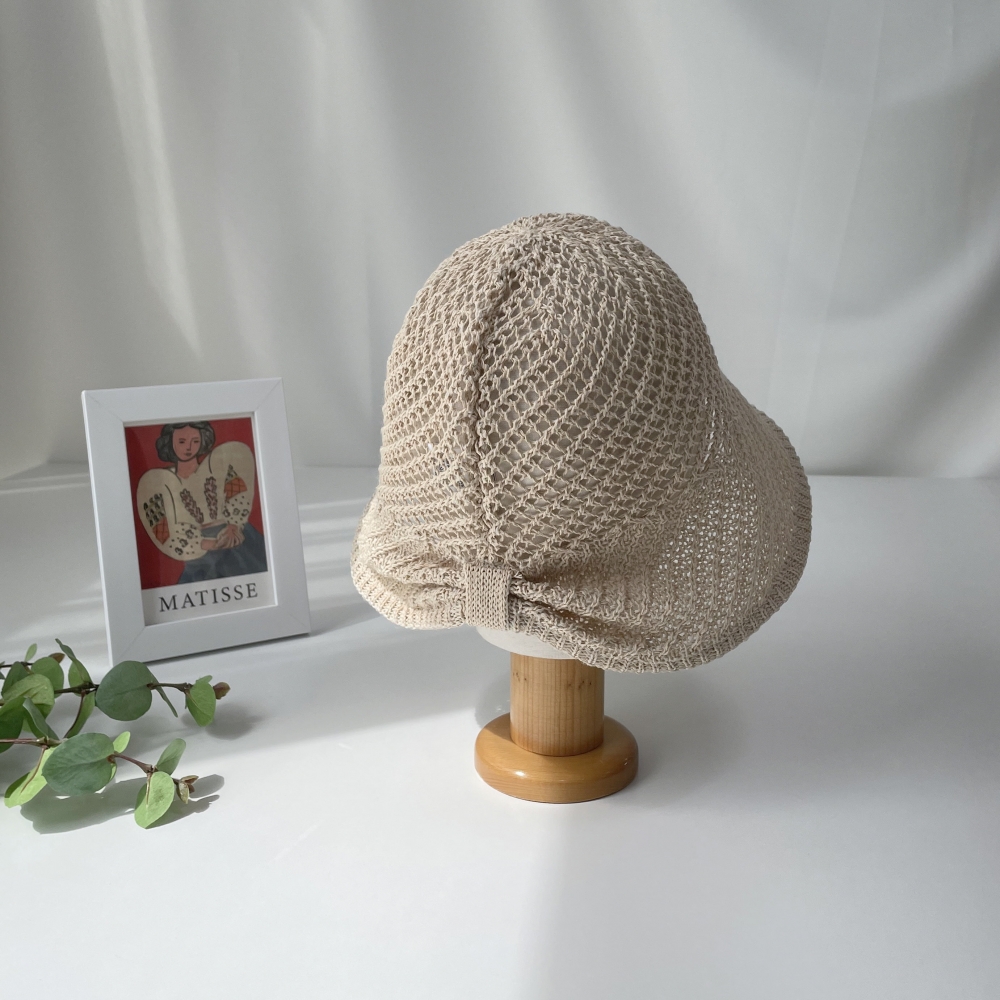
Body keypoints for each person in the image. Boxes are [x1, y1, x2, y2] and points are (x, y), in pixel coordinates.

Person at [135, 421, 268, 583]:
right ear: (170, 442)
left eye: (195, 441)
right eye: (182, 441)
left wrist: (234, 526)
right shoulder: (159, 482)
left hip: (235, 538)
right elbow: (165, 533)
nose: (189, 447)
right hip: (199, 552)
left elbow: (238, 494)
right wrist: (208, 544)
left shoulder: (219, 463)